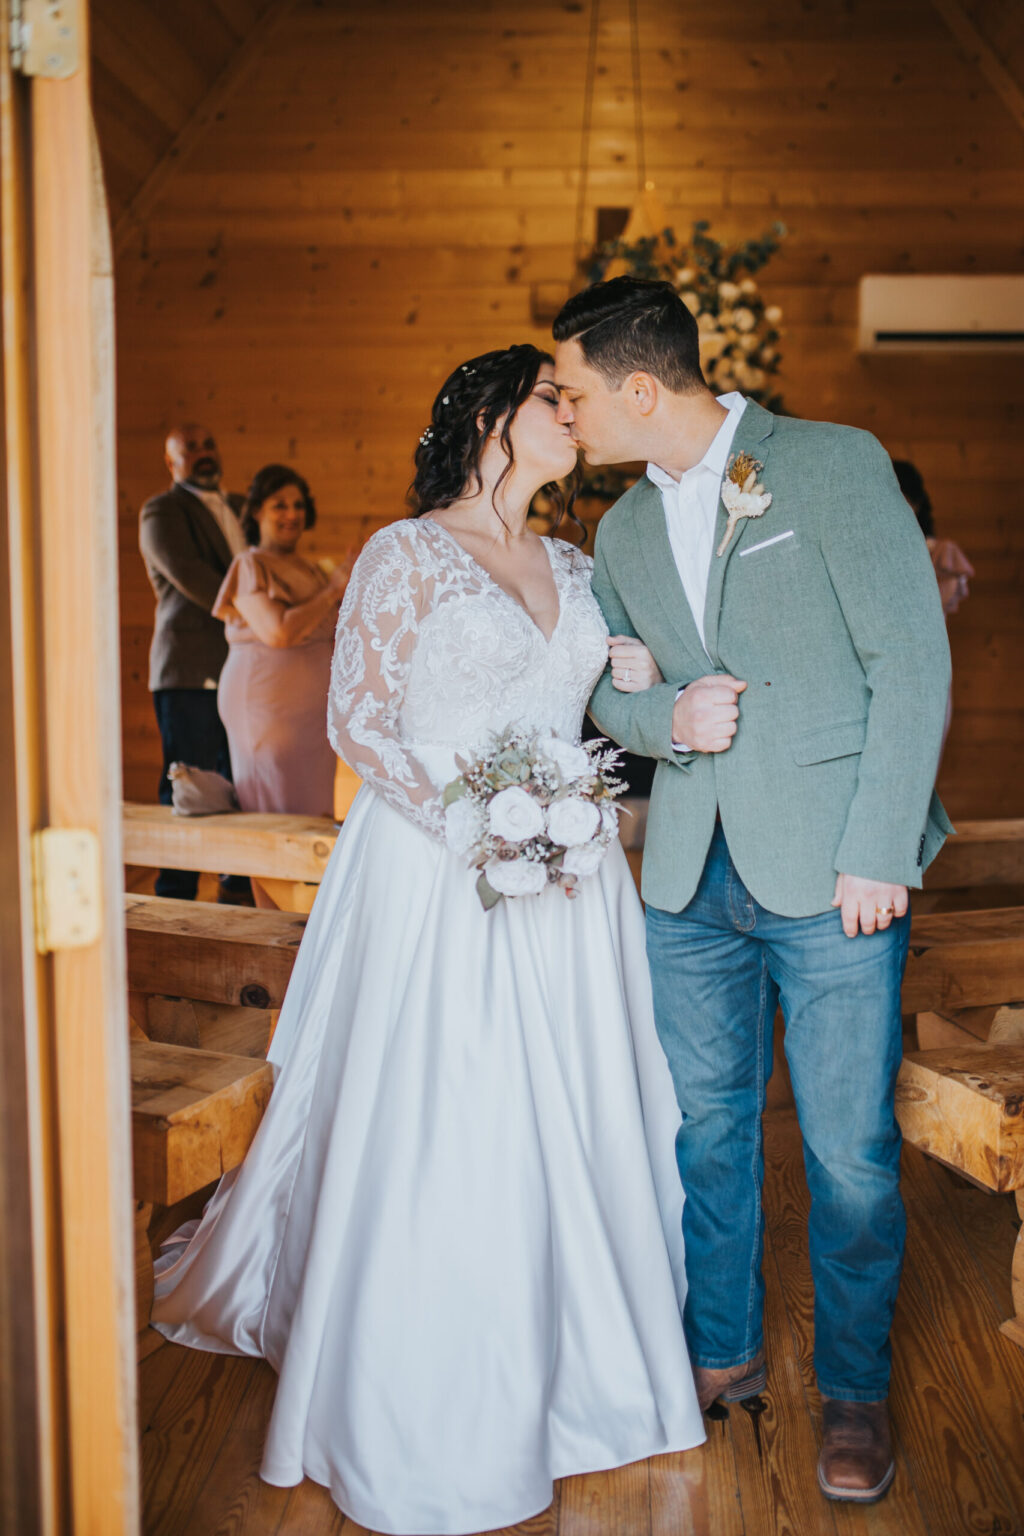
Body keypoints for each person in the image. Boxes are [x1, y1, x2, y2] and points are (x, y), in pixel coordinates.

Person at [151, 344, 706, 1532]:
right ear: (493, 422)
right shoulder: (407, 555)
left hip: (568, 880)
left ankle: (588, 1365)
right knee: (454, 1111)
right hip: (438, 867)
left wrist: (637, 689)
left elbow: (601, 705)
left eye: (571, 399)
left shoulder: (573, 559)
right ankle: (427, 1387)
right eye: (553, 402)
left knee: (580, 1106)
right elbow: (357, 720)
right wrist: (483, 823)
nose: (572, 415)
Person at [552, 277, 952, 1506]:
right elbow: (607, 697)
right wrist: (660, 714)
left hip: (835, 874)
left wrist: (879, 846)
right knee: (706, 1134)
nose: (563, 417)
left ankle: (852, 1392)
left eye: (569, 394)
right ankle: (716, 1355)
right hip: (684, 881)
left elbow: (910, 657)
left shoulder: (831, 463)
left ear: (636, 385)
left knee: (847, 1154)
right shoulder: (616, 533)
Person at [138, 423, 251, 901]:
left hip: (242, 668)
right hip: (190, 669)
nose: (204, 454)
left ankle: (234, 886)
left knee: (235, 783)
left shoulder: (241, 507)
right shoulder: (162, 510)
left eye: (209, 444)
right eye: (190, 449)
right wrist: (271, 614)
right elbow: (196, 580)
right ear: (171, 463)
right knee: (188, 786)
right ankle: (175, 894)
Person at [213, 464, 348, 823]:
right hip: (267, 709)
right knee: (272, 811)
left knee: (312, 811)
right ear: (257, 511)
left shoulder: (312, 570)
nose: (292, 514)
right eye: (280, 505)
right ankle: (262, 882)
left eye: (299, 505)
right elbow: (279, 633)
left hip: (313, 718)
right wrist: (334, 589)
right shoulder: (249, 565)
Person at [893, 459, 973, 757]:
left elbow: (931, 610)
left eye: (905, 497)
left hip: (927, 663)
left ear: (916, 502)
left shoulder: (940, 554)